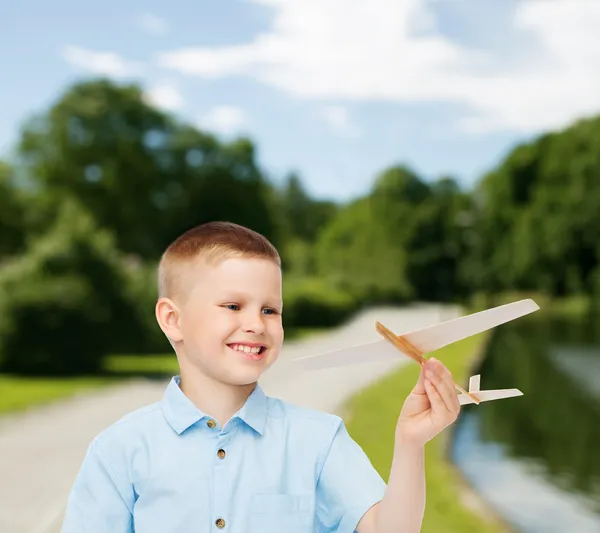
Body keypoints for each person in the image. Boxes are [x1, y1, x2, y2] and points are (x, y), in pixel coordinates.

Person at [61, 221, 461, 533]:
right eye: (233, 305)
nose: (256, 324)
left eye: (270, 310)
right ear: (172, 319)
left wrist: (410, 443)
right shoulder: (119, 450)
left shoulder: (319, 441)